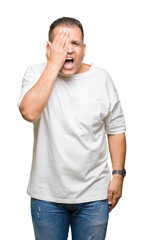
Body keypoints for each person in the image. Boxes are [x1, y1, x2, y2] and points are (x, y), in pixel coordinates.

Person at [18, 17, 126, 240]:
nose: (68, 49)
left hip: (94, 197)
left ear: (84, 49)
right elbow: (29, 112)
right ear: (49, 48)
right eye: (61, 43)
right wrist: (53, 65)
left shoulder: (102, 79)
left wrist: (118, 175)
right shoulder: (35, 74)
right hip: (47, 197)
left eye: (74, 44)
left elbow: (115, 129)